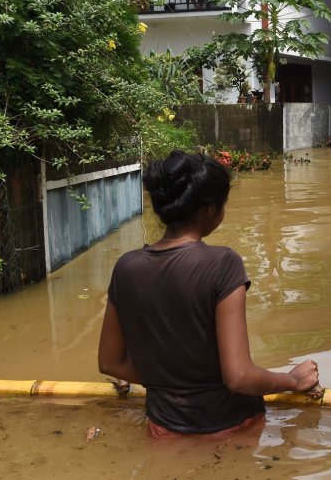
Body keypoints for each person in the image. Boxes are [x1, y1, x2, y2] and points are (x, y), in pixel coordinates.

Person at [98, 150, 319, 437]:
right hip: (232, 429)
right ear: (209, 209)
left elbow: (109, 362)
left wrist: (170, 382)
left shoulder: (125, 268)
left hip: (162, 430)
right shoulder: (224, 264)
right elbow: (239, 377)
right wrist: (291, 380)